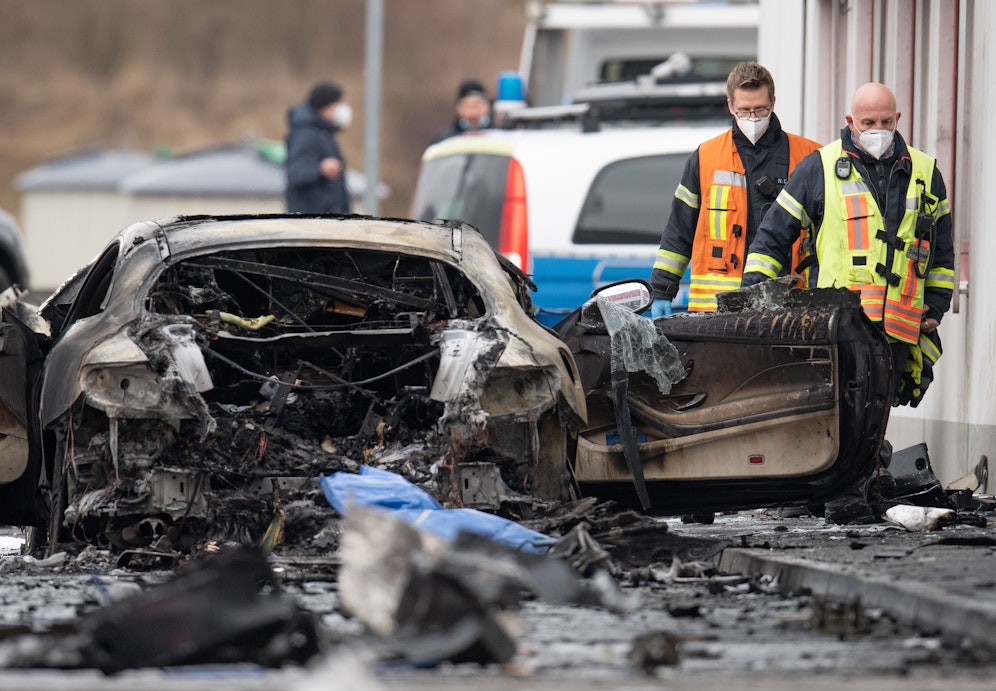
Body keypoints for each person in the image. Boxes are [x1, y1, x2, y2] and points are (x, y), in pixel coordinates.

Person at [741, 82, 954, 407]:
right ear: (851, 120)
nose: (878, 131)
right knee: (838, 421)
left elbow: (941, 249)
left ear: (897, 118)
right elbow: (773, 236)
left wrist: (937, 305)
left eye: (886, 122)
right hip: (833, 328)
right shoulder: (820, 168)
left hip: (896, 332)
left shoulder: (925, 172)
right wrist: (751, 297)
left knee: (874, 424)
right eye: (868, 123)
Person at [650, 62, 822, 316]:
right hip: (717, 311)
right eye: (744, 111)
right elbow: (679, 229)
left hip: (793, 307)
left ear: (773, 103)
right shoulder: (706, 157)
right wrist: (661, 290)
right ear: (730, 106)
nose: (753, 118)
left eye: (760, 109)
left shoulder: (810, 156)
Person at [285, 81, 352, 214]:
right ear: (326, 106)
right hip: (311, 220)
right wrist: (320, 169)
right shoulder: (305, 133)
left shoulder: (323, 133)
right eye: (338, 103)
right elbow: (296, 172)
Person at [429, 79, 493, 145]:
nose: (473, 111)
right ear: (458, 108)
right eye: (467, 106)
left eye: (477, 105)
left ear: (488, 106)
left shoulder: (499, 135)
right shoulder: (445, 139)